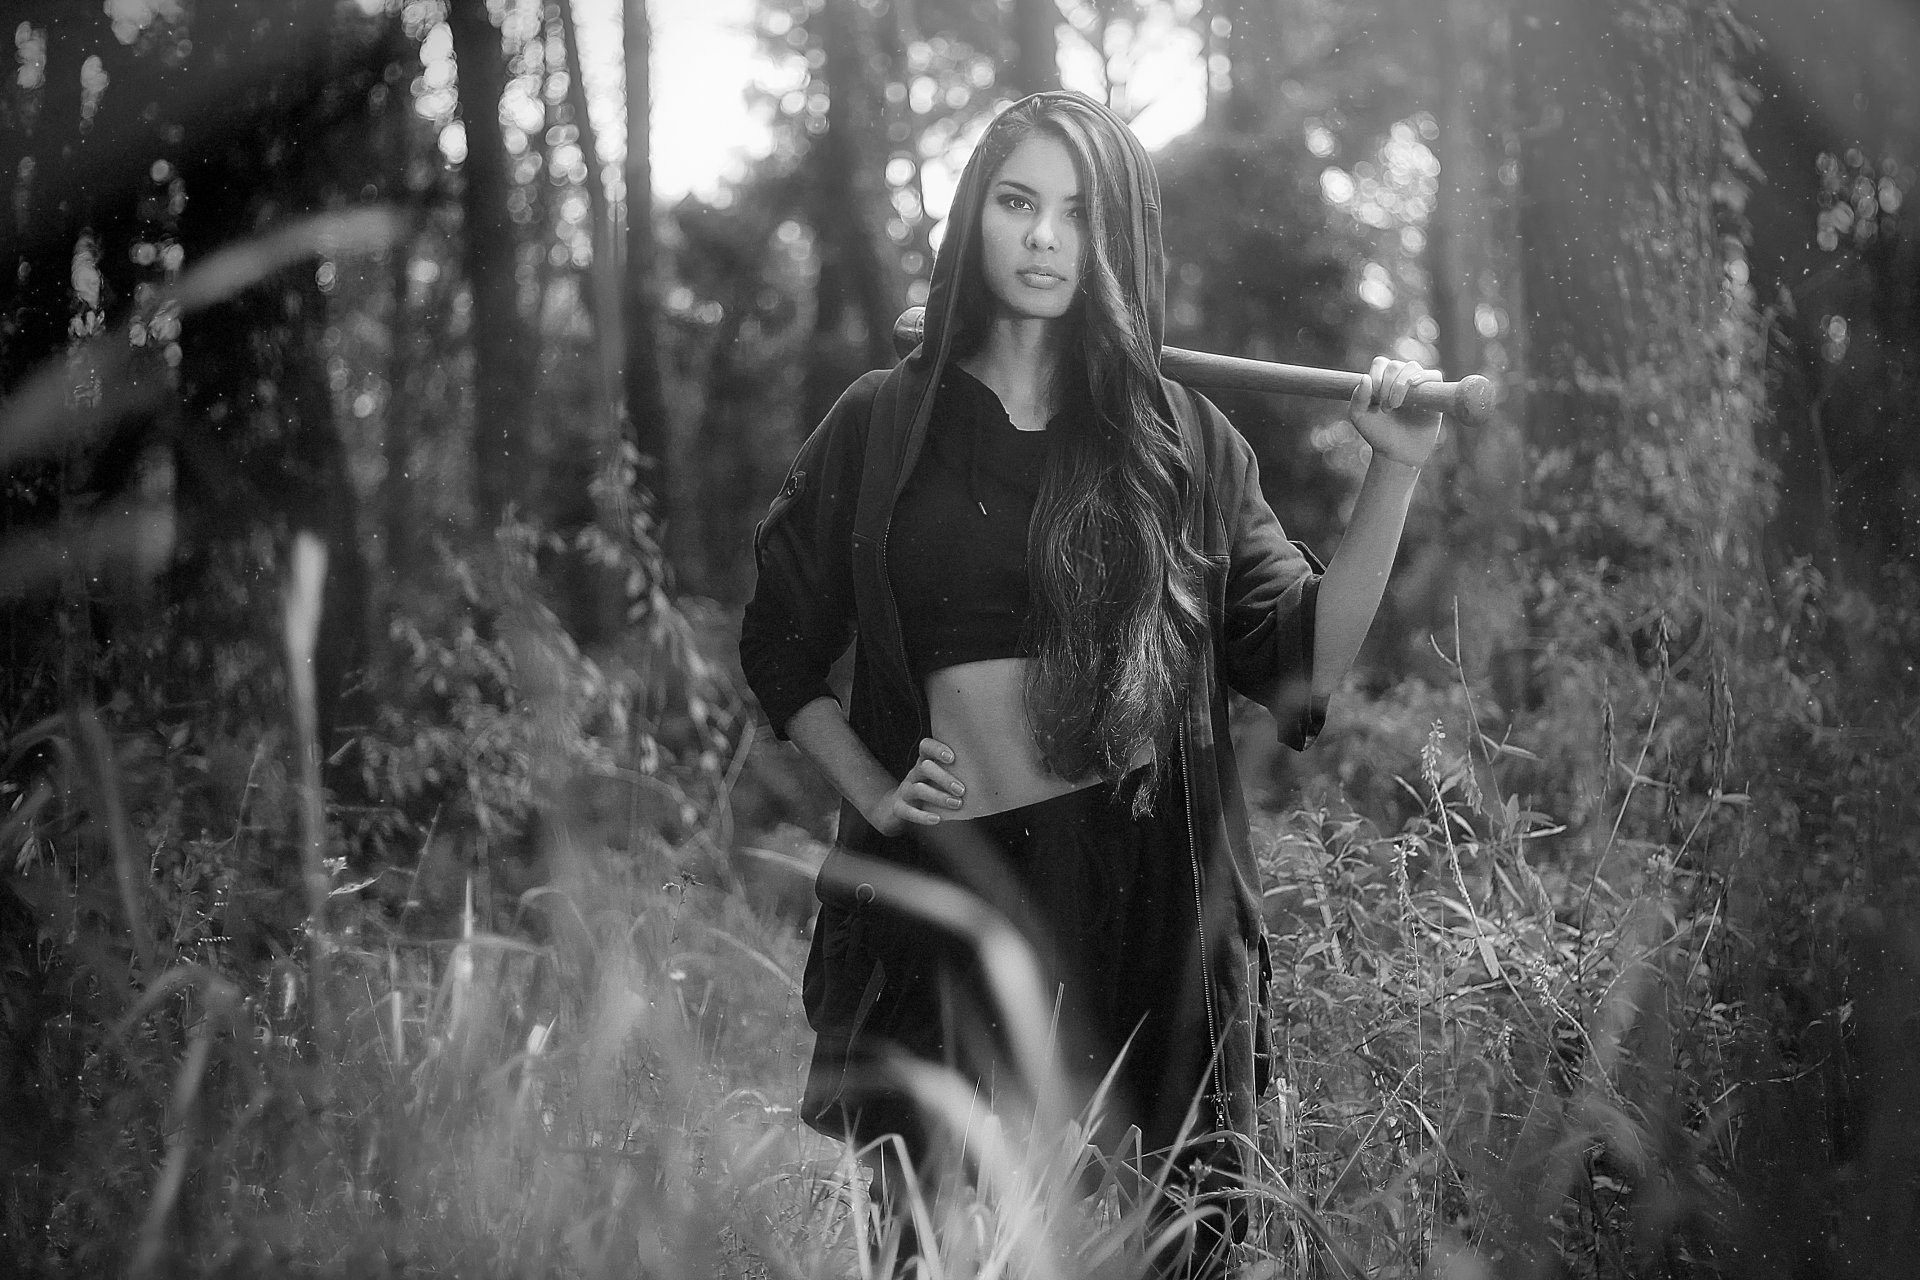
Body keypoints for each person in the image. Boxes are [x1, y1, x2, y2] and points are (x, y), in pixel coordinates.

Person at [739, 89, 1442, 1273]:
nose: (1044, 237)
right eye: (1018, 202)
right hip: (944, 911)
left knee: (1162, 1248)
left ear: (1118, 240)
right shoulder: (880, 422)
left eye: (1078, 214)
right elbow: (782, 642)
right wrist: (867, 788)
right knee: (933, 1251)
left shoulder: (1188, 441)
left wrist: (1396, 478)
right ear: (976, 219)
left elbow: (1300, 658)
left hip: (1142, 914)